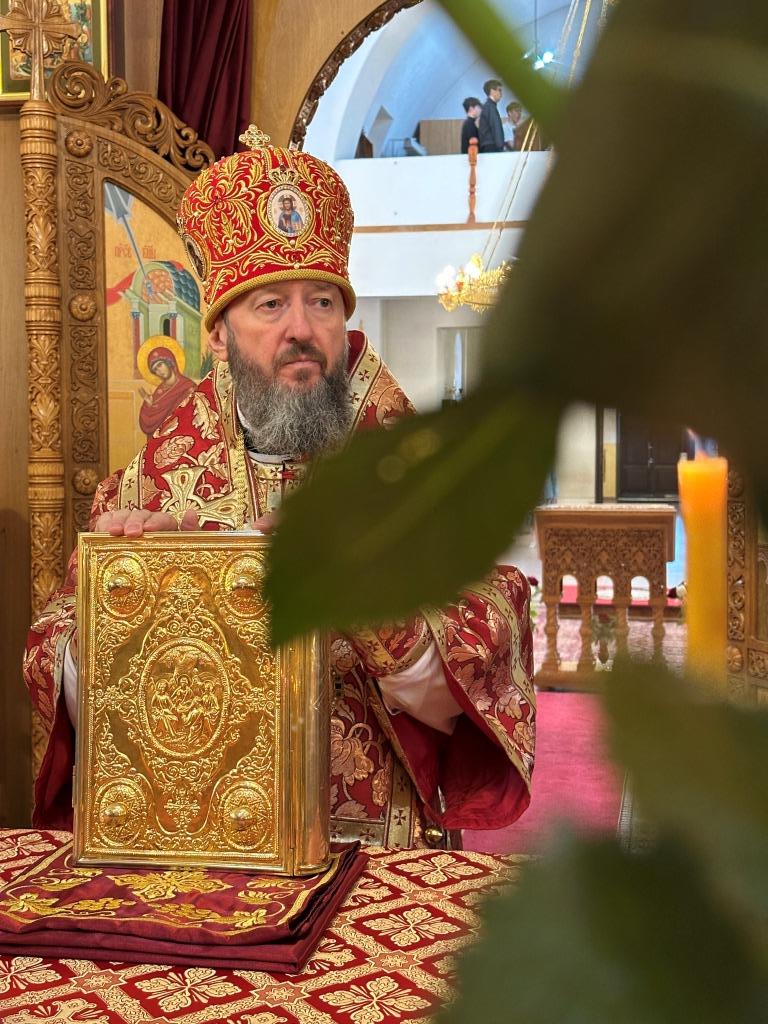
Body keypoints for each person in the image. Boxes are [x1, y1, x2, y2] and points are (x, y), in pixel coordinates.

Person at [24, 127, 535, 851]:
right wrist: (129, 598)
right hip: (200, 851)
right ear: (219, 335)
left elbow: (474, 688)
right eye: (270, 305)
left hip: (366, 851)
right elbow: (53, 660)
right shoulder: (146, 488)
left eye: (322, 302)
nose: (303, 329)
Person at [138, 346, 196, 438]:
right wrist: (148, 406)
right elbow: (149, 423)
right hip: (160, 440)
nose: (159, 371)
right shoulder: (159, 391)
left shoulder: (188, 387)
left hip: (180, 437)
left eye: (160, 365)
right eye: (155, 370)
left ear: (169, 362)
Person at [477, 79, 505, 153]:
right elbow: (495, 127)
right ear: (492, 91)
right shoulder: (490, 107)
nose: (501, 94)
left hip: (487, 146)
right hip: (492, 147)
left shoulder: (487, 106)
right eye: (499, 90)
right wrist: (500, 147)